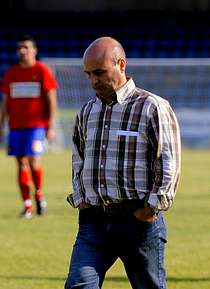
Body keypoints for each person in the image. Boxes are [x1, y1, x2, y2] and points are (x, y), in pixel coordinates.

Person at [64, 36, 181, 289]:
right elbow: (78, 159)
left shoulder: (152, 107)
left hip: (137, 220)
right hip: (93, 223)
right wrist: (81, 197)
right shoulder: (86, 111)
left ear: (121, 64)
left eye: (99, 72)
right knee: (78, 285)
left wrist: (150, 209)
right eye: (88, 74)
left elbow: (169, 163)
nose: (93, 80)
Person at [0, 35, 58, 219]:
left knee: (33, 161)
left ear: (34, 50)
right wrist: (1, 125)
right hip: (16, 127)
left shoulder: (42, 71)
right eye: (20, 48)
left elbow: (51, 99)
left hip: (36, 127)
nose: (22, 51)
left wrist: (50, 126)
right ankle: (27, 205)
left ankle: (39, 195)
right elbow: (5, 102)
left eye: (26, 47)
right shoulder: (11, 73)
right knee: (21, 163)